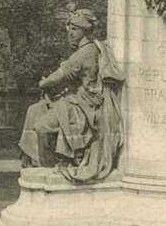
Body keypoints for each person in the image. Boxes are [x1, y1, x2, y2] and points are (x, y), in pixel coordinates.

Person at [18, 10, 125, 184]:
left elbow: (63, 73)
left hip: (84, 104)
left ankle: (51, 167)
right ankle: (41, 163)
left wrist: (43, 83)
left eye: (74, 29)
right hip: (73, 99)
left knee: (43, 127)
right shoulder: (85, 49)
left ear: (84, 30)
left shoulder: (87, 51)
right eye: (70, 29)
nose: (70, 33)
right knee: (35, 110)